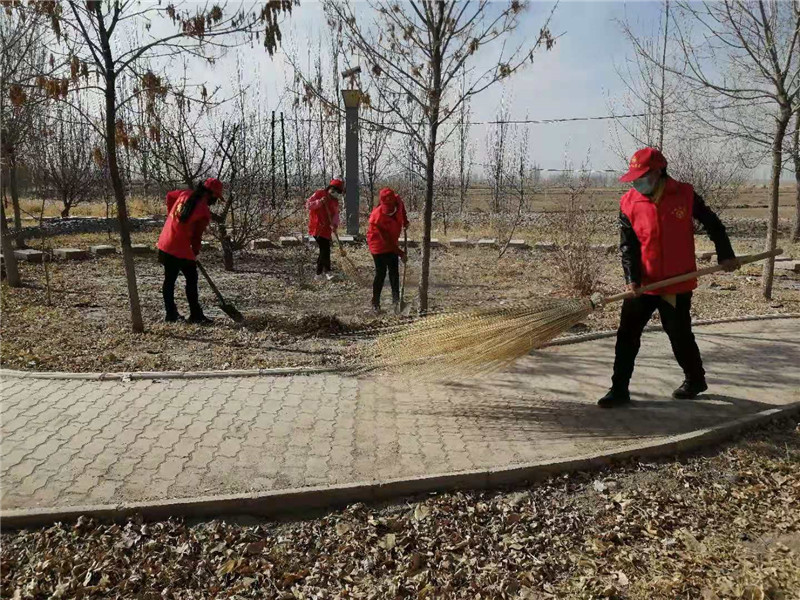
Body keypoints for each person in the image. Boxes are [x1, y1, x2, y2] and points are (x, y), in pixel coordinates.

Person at [598, 147, 739, 408]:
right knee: (627, 334)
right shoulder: (629, 202)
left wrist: (725, 254)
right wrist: (631, 279)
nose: (638, 182)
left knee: (678, 333)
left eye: (643, 176)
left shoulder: (684, 194)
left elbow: (713, 224)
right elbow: (628, 246)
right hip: (644, 283)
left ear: (659, 172)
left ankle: (695, 380)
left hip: (676, 281)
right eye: (635, 178)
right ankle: (618, 389)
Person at [156, 177, 223, 324]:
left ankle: (171, 314)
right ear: (211, 194)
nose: (215, 201)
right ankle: (195, 314)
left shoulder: (184, 194)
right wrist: (195, 251)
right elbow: (196, 237)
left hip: (165, 242)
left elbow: (169, 196)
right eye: (216, 197)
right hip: (180, 248)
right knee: (192, 279)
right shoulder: (203, 211)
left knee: (169, 280)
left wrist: (171, 217)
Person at [367, 187, 409, 313]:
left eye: (391, 209)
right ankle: (375, 303)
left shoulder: (398, 201)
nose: (389, 212)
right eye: (387, 210)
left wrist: (405, 221)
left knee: (394, 272)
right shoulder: (377, 218)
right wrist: (401, 253)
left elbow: (402, 210)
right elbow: (387, 243)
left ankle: (396, 301)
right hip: (378, 244)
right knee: (381, 273)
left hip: (392, 241)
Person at [306, 178, 343, 281]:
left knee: (325, 249)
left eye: (337, 192)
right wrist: (319, 202)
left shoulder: (335, 201)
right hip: (317, 227)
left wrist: (335, 225)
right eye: (333, 190)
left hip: (326, 229)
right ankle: (324, 272)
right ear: (329, 188)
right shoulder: (319, 193)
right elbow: (308, 205)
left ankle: (321, 273)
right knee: (325, 249)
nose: (335, 193)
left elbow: (335, 215)